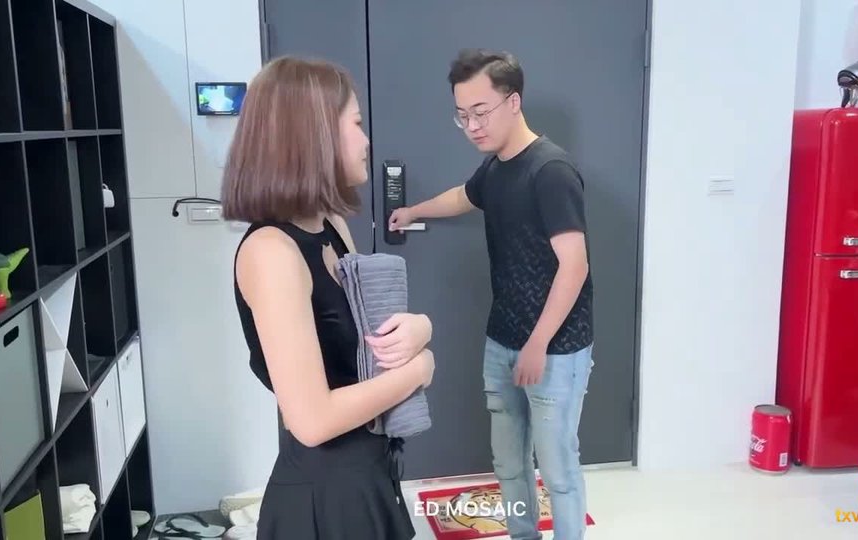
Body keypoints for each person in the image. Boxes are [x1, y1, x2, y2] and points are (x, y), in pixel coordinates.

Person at [222, 56, 434, 540]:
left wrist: (421, 328)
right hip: (325, 497)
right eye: (356, 124)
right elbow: (312, 421)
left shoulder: (330, 226)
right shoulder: (271, 252)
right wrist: (419, 369)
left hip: (369, 472)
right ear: (313, 135)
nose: (366, 140)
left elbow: (369, 340)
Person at [389, 49, 594, 540]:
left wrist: (538, 344)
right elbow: (464, 196)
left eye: (480, 112)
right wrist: (413, 210)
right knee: (509, 464)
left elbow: (575, 266)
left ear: (513, 101)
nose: (472, 126)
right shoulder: (496, 167)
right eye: (462, 116)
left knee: (558, 470)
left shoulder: (551, 170)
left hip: (555, 349)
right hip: (502, 340)